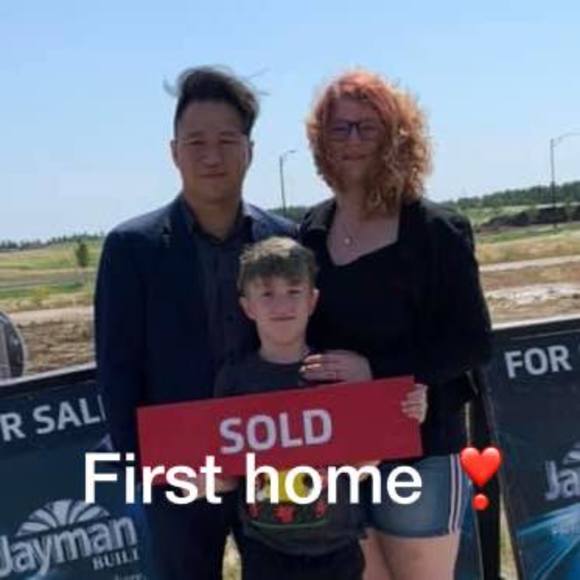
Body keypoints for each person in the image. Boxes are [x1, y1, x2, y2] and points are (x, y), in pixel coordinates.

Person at [94, 66, 296, 580]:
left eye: (227, 141)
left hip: (277, 462)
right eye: (196, 142)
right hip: (179, 471)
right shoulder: (131, 248)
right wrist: (151, 471)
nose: (212, 156)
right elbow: (118, 372)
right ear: (174, 152)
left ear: (250, 150)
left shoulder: (289, 241)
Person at [299, 70, 493, 580]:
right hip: (340, 450)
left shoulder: (436, 231)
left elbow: (472, 342)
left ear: (397, 136)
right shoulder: (310, 233)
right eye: (339, 128)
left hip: (421, 445)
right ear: (321, 141)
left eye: (368, 127)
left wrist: (377, 372)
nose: (353, 139)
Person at [214, 236, 428, 580]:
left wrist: (404, 416)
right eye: (267, 294)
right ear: (247, 307)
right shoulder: (234, 379)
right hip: (265, 549)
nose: (281, 304)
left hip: (337, 547)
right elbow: (226, 472)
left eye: (293, 291)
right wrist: (197, 478)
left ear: (312, 301)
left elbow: (359, 467)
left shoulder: (335, 373)